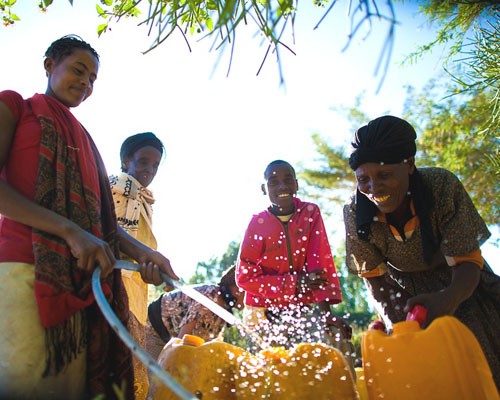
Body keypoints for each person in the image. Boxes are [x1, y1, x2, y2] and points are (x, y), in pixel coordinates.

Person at [0, 35, 179, 400]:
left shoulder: (85, 139)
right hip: (23, 273)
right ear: (50, 65)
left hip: (84, 287)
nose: (86, 83)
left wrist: (143, 253)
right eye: (78, 71)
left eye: (93, 78)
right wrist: (68, 231)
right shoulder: (15, 107)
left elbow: (102, 226)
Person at [343, 115, 500, 389]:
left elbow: (466, 264)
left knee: (481, 368)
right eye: (363, 179)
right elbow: (375, 280)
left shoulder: (440, 186)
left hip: (463, 287)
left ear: (409, 164)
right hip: (402, 296)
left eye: (384, 175)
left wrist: (448, 299)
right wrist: (400, 326)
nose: (373, 188)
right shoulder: (355, 211)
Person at [236, 160, 353, 364]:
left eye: (287, 180)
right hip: (262, 313)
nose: (282, 186)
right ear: (264, 189)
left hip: (302, 307)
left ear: (296, 185)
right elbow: (245, 277)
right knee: (271, 370)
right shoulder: (257, 224)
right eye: (273, 182)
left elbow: (320, 263)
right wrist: (294, 283)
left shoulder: (310, 214)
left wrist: (327, 315)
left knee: (332, 346)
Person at [109, 131, 164, 400]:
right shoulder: (122, 184)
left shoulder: (143, 198)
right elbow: (113, 234)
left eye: (155, 165)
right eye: (143, 162)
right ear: (126, 160)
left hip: (134, 295)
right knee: (123, 377)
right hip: (116, 290)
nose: (149, 170)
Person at [145, 265, 245, 361]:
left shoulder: (224, 312)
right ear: (237, 289)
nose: (252, 300)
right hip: (153, 329)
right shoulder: (210, 296)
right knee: (156, 376)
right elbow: (183, 339)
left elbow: (208, 346)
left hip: (169, 337)